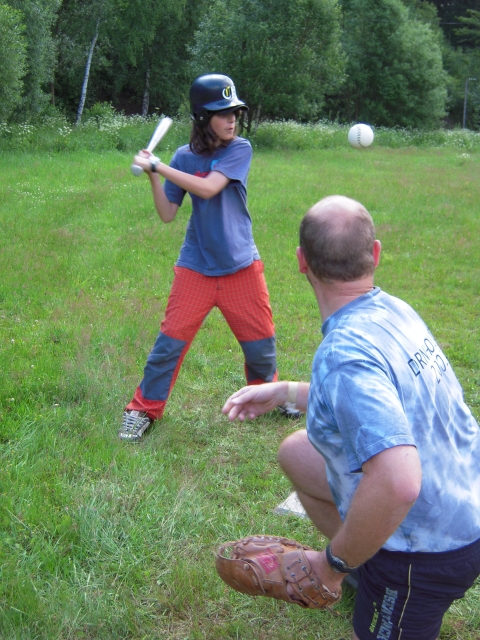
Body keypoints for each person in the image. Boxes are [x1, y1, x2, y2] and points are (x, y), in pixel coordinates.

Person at [222, 195, 480, 640]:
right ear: (374, 254)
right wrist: (287, 392)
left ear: (301, 262)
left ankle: (358, 566)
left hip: (429, 548)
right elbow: (386, 398)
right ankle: (366, 568)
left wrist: (330, 565)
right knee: (298, 451)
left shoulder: (344, 353)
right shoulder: (393, 309)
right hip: (465, 494)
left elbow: (399, 482)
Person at [120, 73, 298, 442]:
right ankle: (143, 410)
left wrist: (158, 167)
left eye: (234, 112)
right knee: (168, 345)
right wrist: (153, 175)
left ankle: (268, 395)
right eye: (223, 113)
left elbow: (208, 188)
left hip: (240, 266)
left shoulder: (239, 149)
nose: (232, 119)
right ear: (203, 117)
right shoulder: (183, 157)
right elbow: (167, 213)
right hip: (196, 268)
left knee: (261, 346)